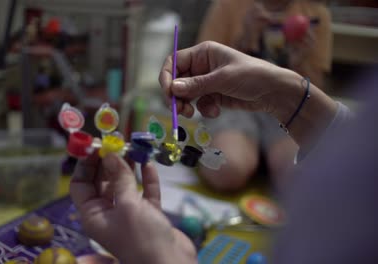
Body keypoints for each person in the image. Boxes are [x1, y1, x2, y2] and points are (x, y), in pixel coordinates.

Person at [69, 41, 378, 264]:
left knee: (292, 177)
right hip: (248, 105)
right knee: (232, 166)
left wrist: (160, 257)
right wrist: (282, 90)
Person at [195, 0, 332, 191]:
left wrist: (300, 62)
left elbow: (316, 95)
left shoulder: (315, 13)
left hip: (286, 110)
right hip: (233, 103)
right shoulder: (228, 5)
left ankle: (257, 157)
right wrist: (244, 41)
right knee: (226, 168)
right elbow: (203, 72)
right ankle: (249, 155)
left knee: (298, 179)